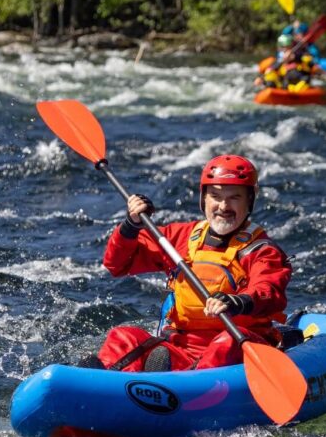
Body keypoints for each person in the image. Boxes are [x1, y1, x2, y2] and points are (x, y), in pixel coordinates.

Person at [81, 155, 291, 373]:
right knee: (122, 336)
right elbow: (117, 264)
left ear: (250, 200)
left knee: (225, 342)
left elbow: (269, 290)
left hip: (239, 346)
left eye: (234, 197)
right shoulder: (180, 237)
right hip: (182, 348)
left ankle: (180, 387)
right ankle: (97, 379)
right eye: (215, 196)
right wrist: (130, 225)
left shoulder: (262, 250)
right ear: (203, 198)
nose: (223, 206)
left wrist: (238, 301)